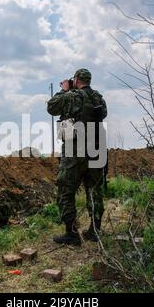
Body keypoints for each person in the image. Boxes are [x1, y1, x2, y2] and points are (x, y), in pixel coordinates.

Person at [47, 68, 107, 246]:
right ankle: (94, 231)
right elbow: (103, 114)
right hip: (95, 149)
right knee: (94, 190)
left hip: (75, 149)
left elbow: (51, 107)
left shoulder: (71, 96)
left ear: (76, 79)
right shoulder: (99, 98)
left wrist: (65, 89)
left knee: (66, 189)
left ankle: (71, 234)